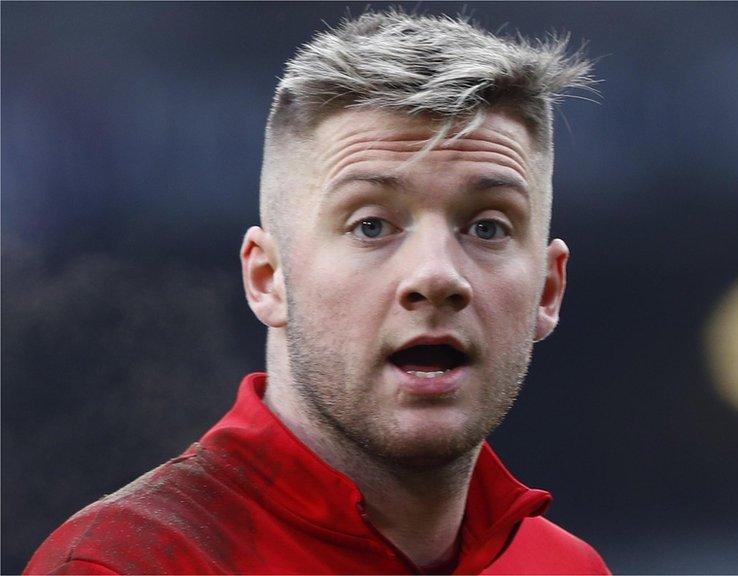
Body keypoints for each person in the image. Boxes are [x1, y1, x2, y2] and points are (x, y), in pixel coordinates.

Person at [25, 9, 609, 575]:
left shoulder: (567, 567)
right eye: (371, 225)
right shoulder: (125, 565)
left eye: (487, 227)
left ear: (548, 290)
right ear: (267, 279)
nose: (436, 276)